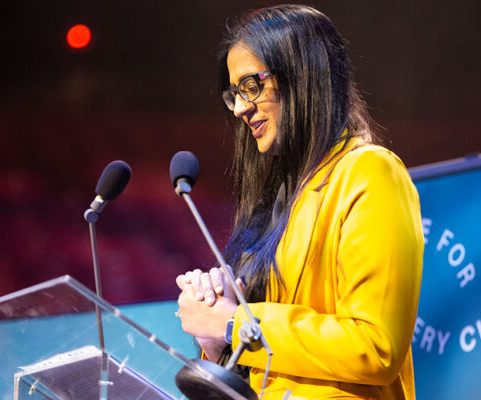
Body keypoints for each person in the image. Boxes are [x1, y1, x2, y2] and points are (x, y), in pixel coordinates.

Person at [175, 5, 423, 399]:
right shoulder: (276, 196)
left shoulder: (370, 172)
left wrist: (238, 322)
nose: (240, 109)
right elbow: (272, 363)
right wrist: (218, 335)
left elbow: (377, 346)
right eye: (234, 94)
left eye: (251, 86)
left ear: (303, 77)